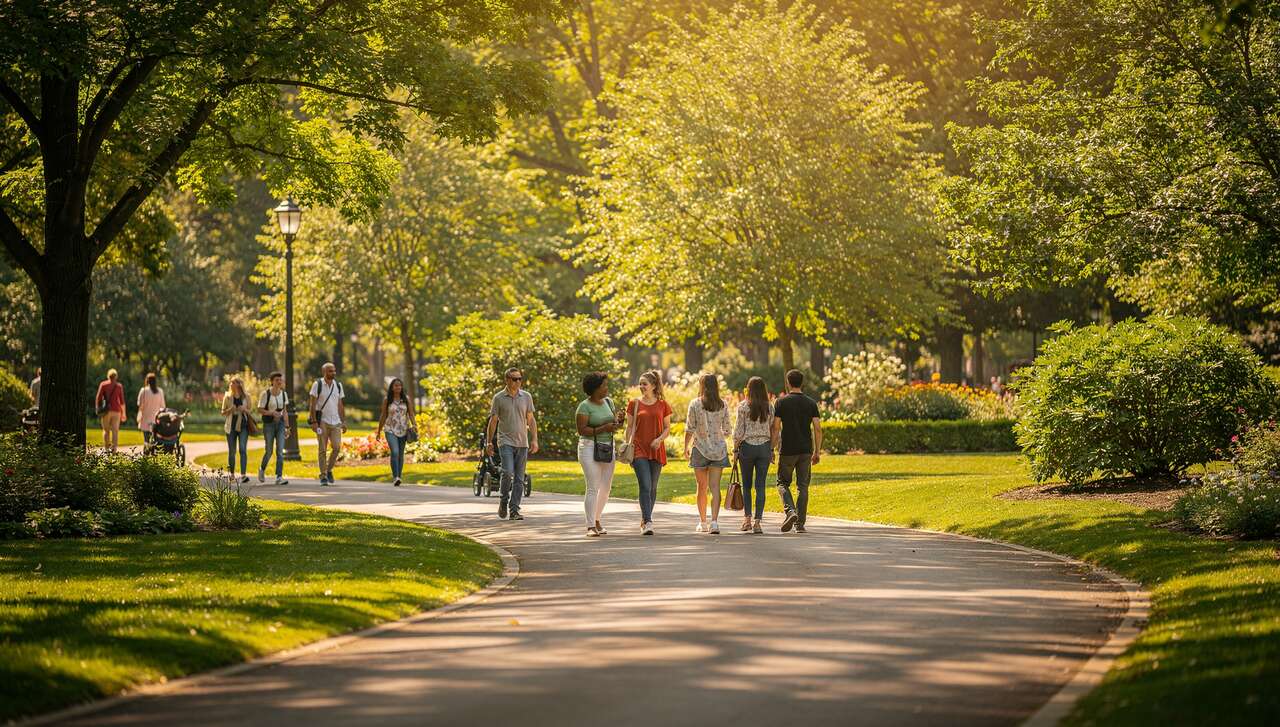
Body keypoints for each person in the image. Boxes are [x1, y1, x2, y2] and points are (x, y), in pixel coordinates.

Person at [771, 369, 822, 533]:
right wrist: (817, 451)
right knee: (803, 486)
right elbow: (817, 429)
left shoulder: (781, 402)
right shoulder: (811, 403)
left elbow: (776, 427)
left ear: (788, 383)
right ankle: (799, 524)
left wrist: (772, 448)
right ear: (802, 383)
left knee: (782, 483)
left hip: (787, 450)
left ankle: (790, 511)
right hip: (806, 450)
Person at [623, 370, 673, 535]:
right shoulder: (634, 403)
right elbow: (629, 427)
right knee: (645, 484)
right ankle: (648, 521)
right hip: (638, 449)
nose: (641, 386)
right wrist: (627, 443)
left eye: (645, 384)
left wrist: (659, 440)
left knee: (652, 487)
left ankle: (645, 519)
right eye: (640, 383)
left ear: (653, 386)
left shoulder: (663, 405)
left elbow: (667, 428)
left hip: (656, 449)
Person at [486, 367, 539, 520]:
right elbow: (493, 420)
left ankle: (514, 510)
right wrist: (489, 442)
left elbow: (530, 419)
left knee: (519, 479)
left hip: (522, 442)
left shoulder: (526, 397)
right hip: (505, 441)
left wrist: (534, 438)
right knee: (507, 472)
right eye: (515, 379)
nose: (518, 382)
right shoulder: (499, 398)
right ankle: (503, 501)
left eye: (520, 379)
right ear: (507, 380)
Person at [683, 373, 731, 535]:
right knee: (715, 487)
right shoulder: (723, 404)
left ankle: (703, 522)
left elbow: (690, 428)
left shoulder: (695, 404)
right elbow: (727, 430)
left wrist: (685, 447)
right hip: (718, 450)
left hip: (700, 449)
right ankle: (715, 523)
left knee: (701, 487)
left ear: (702, 385)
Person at [576, 371, 622, 537]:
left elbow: (612, 424)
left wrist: (618, 422)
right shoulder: (584, 406)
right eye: (604, 386)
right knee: (593, 487)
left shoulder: (609, 402)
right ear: (595, 388)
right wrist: (604, 428)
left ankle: (597, 519)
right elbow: (582, 430)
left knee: (606, 488)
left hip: (607, 447)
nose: (606, 388)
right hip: (588, 447)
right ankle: (590, 526)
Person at [734, 376, 775, 535]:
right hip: (764, 447)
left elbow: (738, 431)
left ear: (748, 389)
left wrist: (735, 450)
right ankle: (758, 522)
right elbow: (773, 429)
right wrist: (772, 449)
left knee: (747, 485)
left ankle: (747, 520)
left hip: (747, 448)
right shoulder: (769, 407)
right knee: (760, 486)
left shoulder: (743, 406)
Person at [309, 363, 346, 486]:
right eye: (330, 371)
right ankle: (323, 475)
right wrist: (314, 422)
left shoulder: (338, 385)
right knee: (322, 449)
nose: (333, 373)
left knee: (336, 447)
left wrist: (343, 421)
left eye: (334, 371)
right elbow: (312, 405)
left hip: (335, 421)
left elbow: (340, 404)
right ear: (324, 372)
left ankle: (329, 469)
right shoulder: (317, 385)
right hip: (322, 421)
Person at [375, 377, 416, 487]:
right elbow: (383, 415)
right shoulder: (387, 400)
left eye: (400, 385)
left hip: (403, 429)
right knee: (395, 452)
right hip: (390, 429)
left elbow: (411, 413)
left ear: (402, 387)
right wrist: (379, 431)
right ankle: (395, 477)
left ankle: (399, 477)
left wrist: (414, 424)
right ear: (392, 388)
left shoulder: (406, 399)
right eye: (396, 385)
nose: (398, 387)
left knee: (401, 455)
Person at [257, 371, 290, 485]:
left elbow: (285, 411)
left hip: (280, 424)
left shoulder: (284, 394)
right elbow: (260, 409)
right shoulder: (265, 394)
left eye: (280, 380)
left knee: (280, 451)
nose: (279, 382)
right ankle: (262, 469)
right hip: (269, 425)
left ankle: (279, 476)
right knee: (269, 451)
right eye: (277, 380)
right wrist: (271, 413)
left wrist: (287, 426)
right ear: (272, 382)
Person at [222, 377, 254, 482]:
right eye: (231, 382)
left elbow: (250, 411)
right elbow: (223, 412)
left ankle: (243, 475)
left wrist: (243, 409)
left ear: (239, 385)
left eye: (233, 382)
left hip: (243, 425)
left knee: (242, 449)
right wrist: (231, 409)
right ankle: (231, 474)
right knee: (232, 451)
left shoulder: (247, 397)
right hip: (230, 425)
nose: (231, 384)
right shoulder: (227, 397)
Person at [94, 369, 126, 452]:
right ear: (116, 376)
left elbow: (98, 398)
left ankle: (107, 449)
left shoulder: (103, 384)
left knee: (106, 430)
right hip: (117, 411)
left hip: (106, 411)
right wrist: (124, 414)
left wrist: (98, 408)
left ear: (108, 376)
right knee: (115, 431)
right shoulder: (119, 386)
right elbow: (122, 401)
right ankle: (114, 450)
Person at [136, 373, 165, 445]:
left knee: (146, 440)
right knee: (155, 440)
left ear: (147, 381)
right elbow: (163, 406)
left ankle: (146, 453)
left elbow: (140, 405)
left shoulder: (144, 391)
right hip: (156, 420)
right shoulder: (160, 391)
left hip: (145, 419)